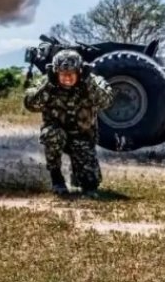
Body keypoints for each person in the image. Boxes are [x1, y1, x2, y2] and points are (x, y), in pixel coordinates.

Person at [23, 49, 114, 197]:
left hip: (83, 138)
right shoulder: (47, 82)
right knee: (52, 134)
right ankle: (56, 178)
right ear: (55, 72)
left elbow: (107, 101)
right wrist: (49, 84)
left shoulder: (92, 80)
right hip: (57, 134)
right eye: (62, 74)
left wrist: (88, 82)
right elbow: (30, 104)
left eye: (71, 73)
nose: (66, 78)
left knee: (90, 184)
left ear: (79, 71)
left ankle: (80, 177)